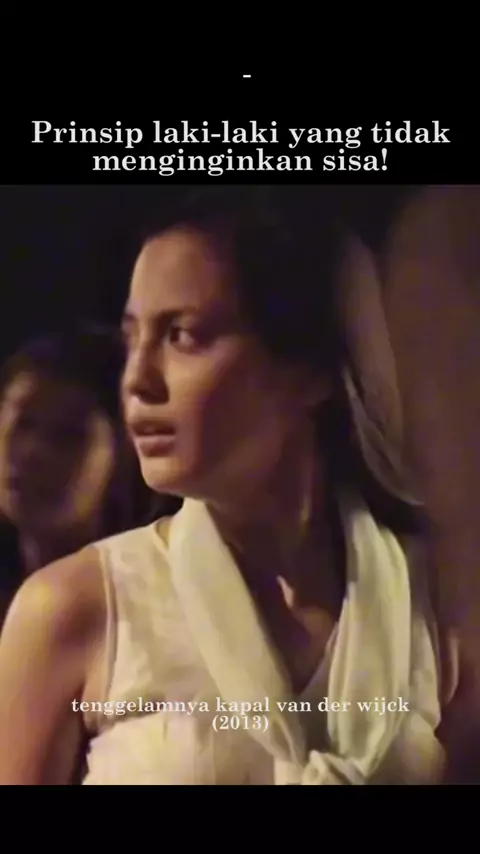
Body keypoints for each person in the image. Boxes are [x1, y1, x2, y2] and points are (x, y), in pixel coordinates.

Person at [0, 187, 463, 785]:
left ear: (309, 369)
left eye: (183, 335)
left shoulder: (435, 602)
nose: (137, 380)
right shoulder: (75, 609)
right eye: (132, 339)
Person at [0, 325, 156, 629]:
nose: (33, 452)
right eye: (24, 422)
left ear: (126, 457)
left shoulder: (142, 616)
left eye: (67, 435)